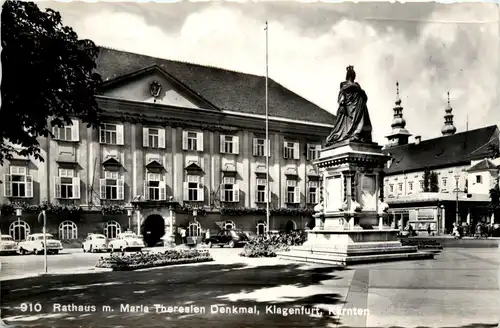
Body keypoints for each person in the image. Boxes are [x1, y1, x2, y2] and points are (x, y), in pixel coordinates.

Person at [325, 65, 373, 146]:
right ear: (349, 75)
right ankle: (354, 132)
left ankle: (357, 132)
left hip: (357, 106)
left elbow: (364, 95)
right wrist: (343, 101)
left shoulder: (356, 85)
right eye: (353, 75)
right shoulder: (344, 84)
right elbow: (342, 95)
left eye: (354, 75)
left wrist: (360, 91)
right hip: (348, 108)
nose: (354, 76)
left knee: (362, 108)